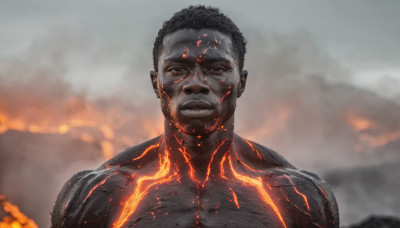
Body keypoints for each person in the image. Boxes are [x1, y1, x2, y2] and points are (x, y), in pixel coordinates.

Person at [51, 5, 339, 228]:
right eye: (177, 69)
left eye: (216, 69)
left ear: (241, 83)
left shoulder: (298, 196)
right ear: (156, 84)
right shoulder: (97, 195)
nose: (196, 83)